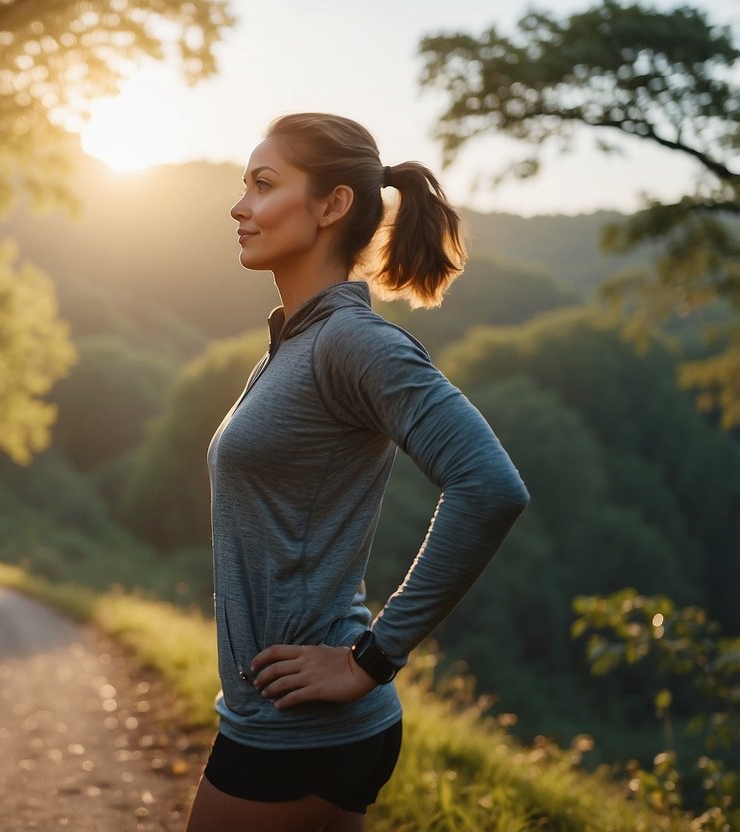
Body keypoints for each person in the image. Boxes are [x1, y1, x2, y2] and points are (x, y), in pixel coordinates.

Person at [185, 113, 530, 832]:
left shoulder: (352, 342)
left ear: (331, 205)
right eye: (242, 184)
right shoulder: (291, 346)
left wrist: (369, 658)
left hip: (299, 728)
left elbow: (489, 486)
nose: (238, 205)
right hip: (296, 722)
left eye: (262, 183)